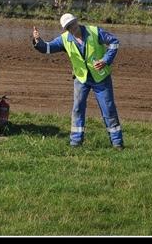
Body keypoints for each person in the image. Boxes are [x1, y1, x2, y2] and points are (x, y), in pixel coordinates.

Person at [32, 13, 123, 149]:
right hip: (81, 79)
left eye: (72, 24)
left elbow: (114, 43)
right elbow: (47, 48)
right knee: (77, 109)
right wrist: (38, 41)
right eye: (68, 27)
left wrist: (105, 60)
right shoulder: (64, 40)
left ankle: (117, 143)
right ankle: (75, 142)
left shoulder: (95, 31)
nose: (72, 28)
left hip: (101, 78)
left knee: (108, 109)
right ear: (66, 29)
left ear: (77, 21)